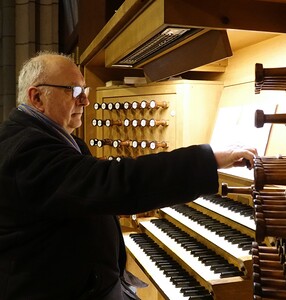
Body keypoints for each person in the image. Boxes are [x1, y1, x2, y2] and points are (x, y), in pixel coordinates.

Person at [0, 51, 257, 300]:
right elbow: (117, 182)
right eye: (74, 91)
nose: (85, 101)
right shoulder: (27, 150)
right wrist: (210, 159)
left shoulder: (47, 137)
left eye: (85, 91)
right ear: (37, 98)